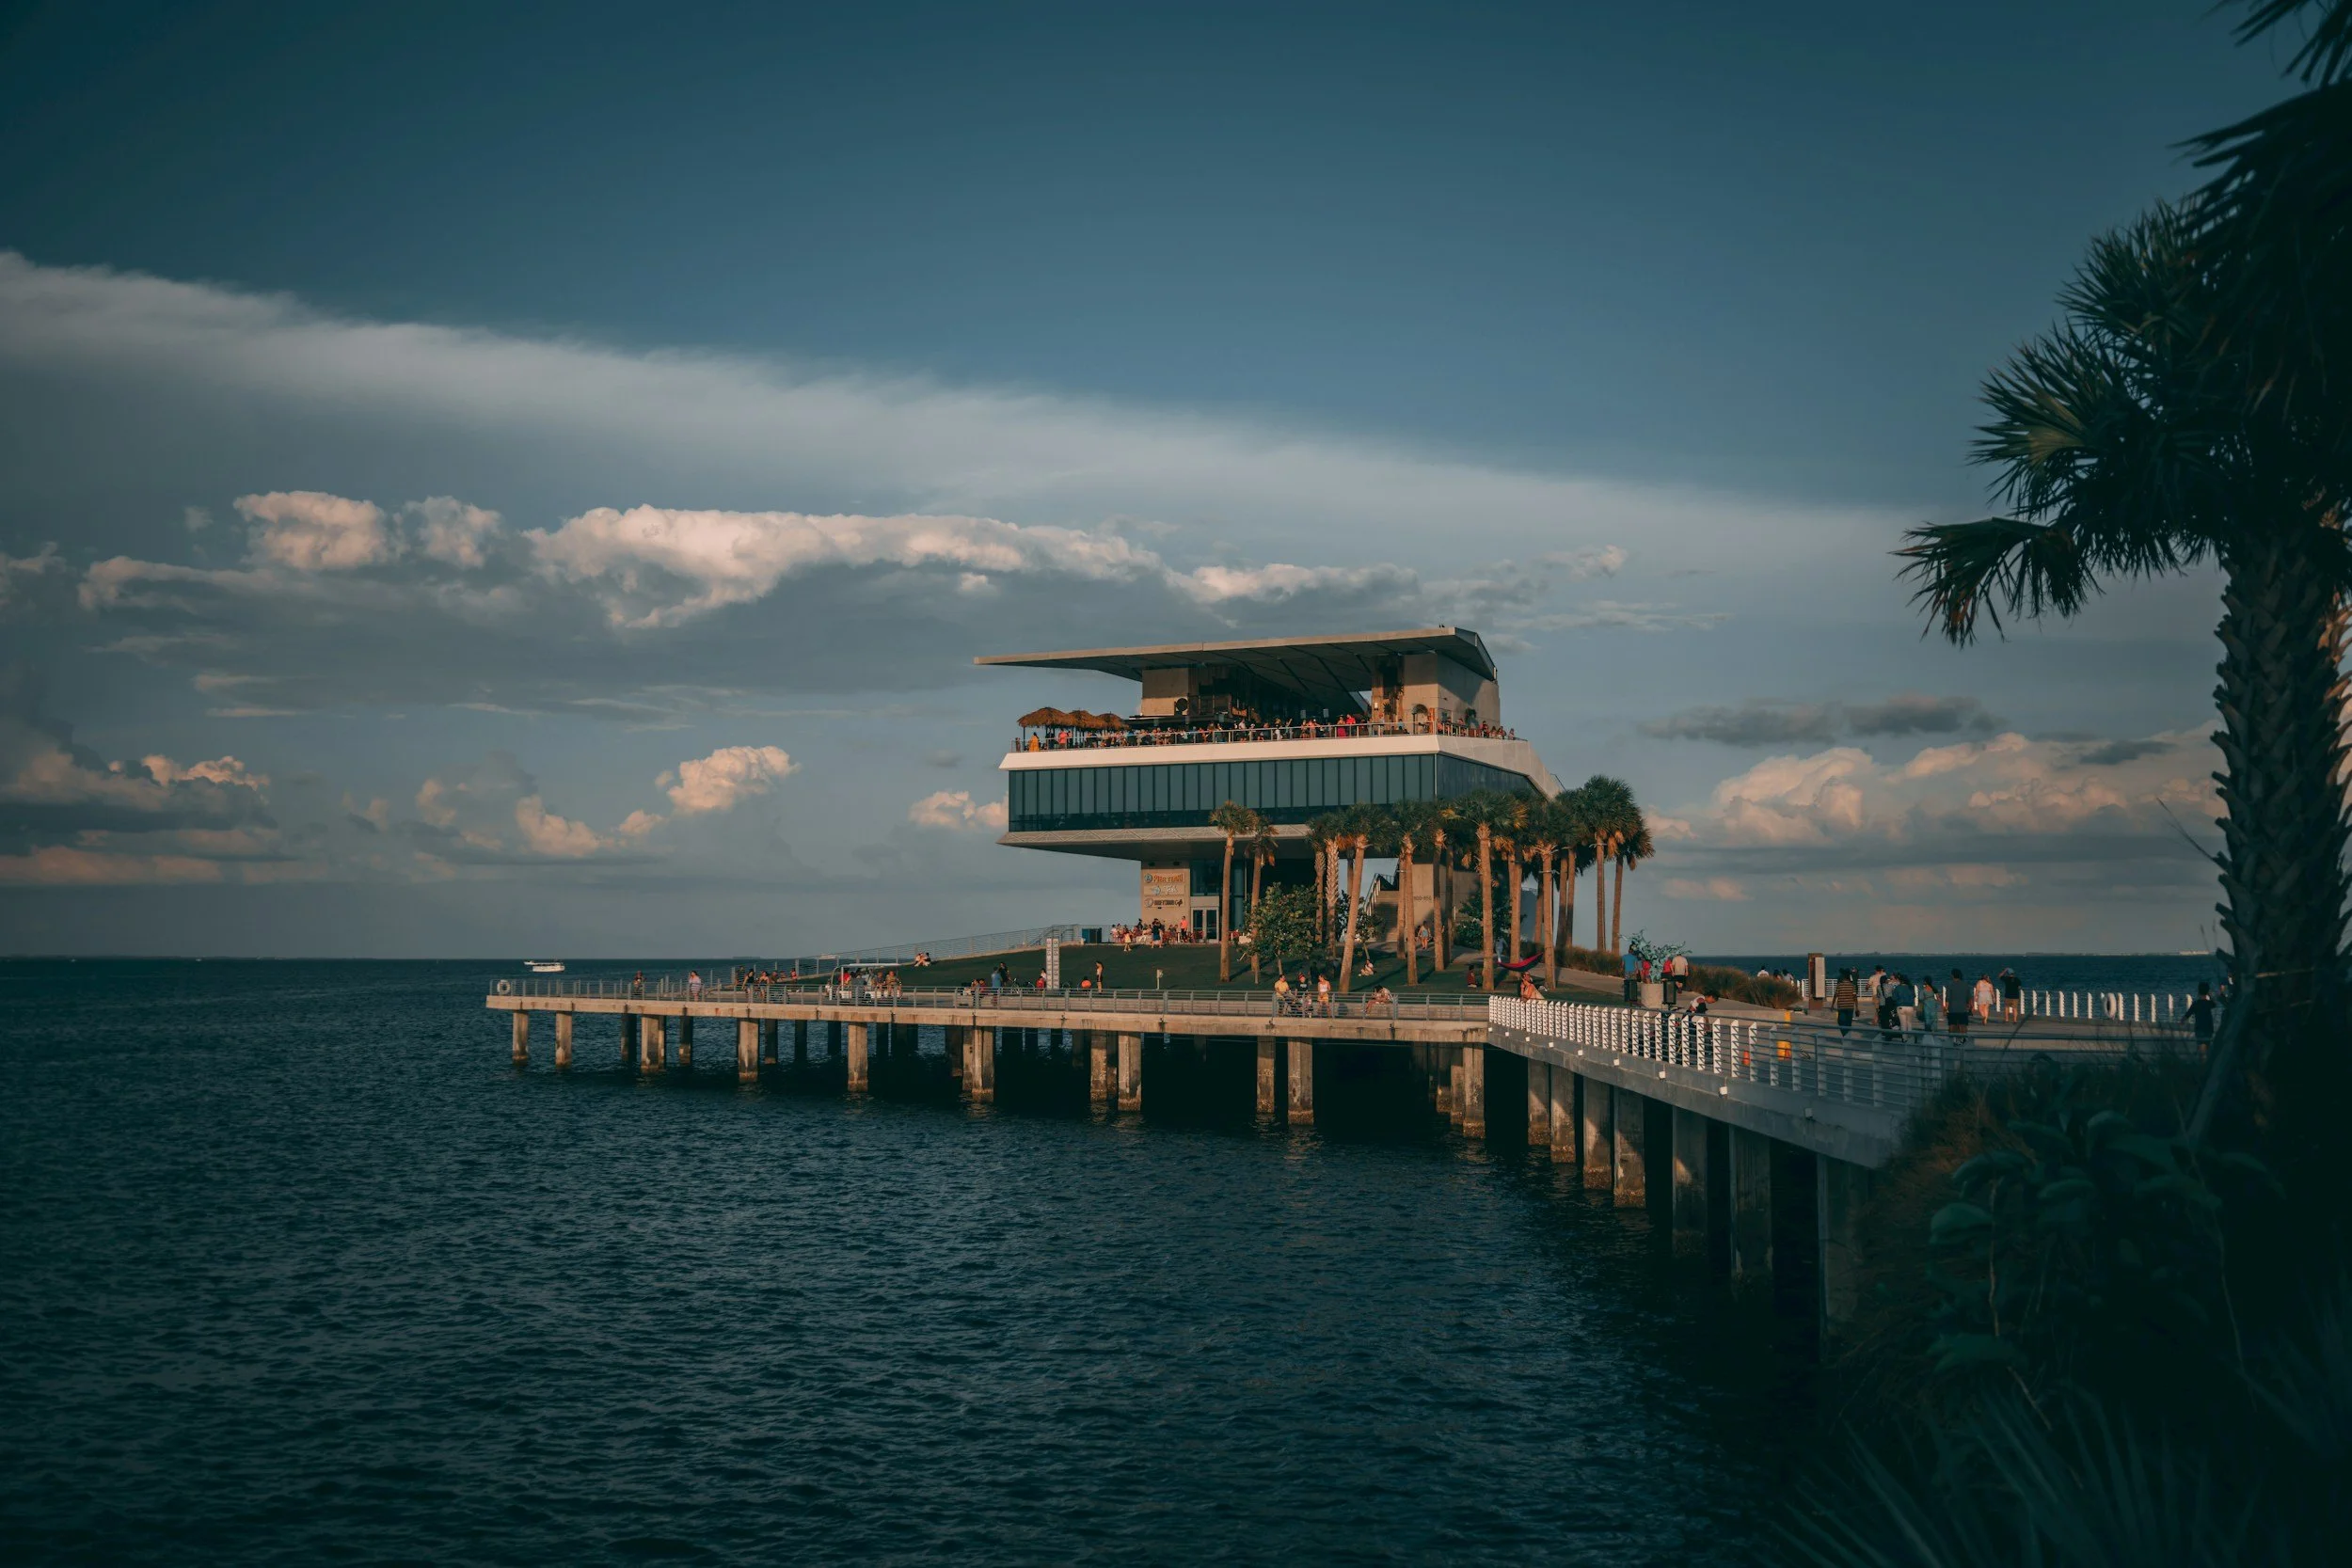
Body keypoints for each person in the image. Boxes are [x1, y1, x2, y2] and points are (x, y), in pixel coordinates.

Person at [2187, 981, 2217, 1051]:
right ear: (2207, 992)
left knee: (2200, 1046)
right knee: (2207, 1046)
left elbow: (2188, 1014)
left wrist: (2182, 1021)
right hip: (2208, 1028)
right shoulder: (2209, 1003)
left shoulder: (2196, 1004)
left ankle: (2201, 1059)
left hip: (2199, 1028)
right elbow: (2214, 1003)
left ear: (2198, 991)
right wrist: (2210, 994)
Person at [1944, 968, 1971, 1036]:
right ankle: (1964, 1039)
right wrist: (1970, 1007)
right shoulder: (1965, 985)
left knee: (1952, 1025)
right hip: (1963, 1009)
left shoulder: (1950, 985)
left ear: (1952, 975)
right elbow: (1969, 998)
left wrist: (1945, 1009)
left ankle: (1952, 1040)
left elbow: (1948, 998)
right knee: (1963, 1025)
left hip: (1952, 1009)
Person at [1832, 968, 1857, 1036]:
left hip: (1841, 1006)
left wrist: (1832, 1005)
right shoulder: (1852, 986)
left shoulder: (1839, 985)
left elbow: (1835, 996)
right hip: (1850, 1006)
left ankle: (1845, 1035)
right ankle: (1847, 1036)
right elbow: (1855, 997)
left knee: (1840, 1021)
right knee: (1848, 1023)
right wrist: (1857, 1008)